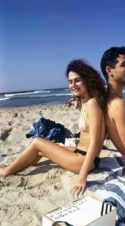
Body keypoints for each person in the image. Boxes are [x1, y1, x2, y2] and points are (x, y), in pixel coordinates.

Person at [0, 59, 107, 195]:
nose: (73, 85)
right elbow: (87, 123)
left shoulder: (92, 104)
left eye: (77, 80)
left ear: (87, 80)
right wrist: (76, 105)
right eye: (70, 81)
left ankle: (5, 172)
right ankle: (20, 165)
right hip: (79, 153)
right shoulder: (86, 102)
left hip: (84, 161)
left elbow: (95, 142)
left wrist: (82, 177)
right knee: (40, 150)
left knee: (37, 141)